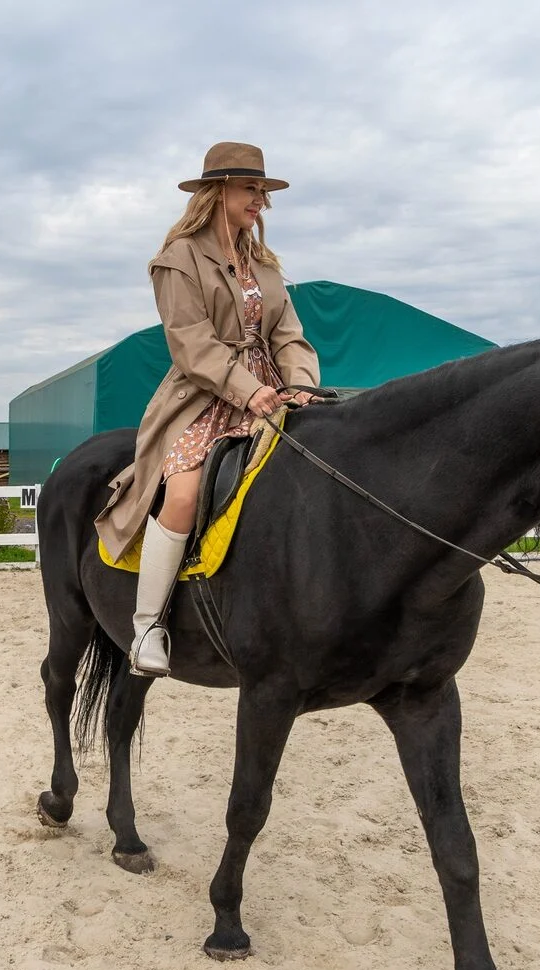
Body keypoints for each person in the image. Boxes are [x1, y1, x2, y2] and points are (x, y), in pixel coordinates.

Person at [93, 141, 321, 676]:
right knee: (186, 489)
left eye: (263, 191)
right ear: (218, 192)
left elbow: (289, 335)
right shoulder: (177, 260)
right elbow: (192, 345)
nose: (260, 202)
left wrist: (302, 384)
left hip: (273, 390)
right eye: (251, 189)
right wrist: (248, 390)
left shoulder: (263, 265)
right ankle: (148, 625)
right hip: (207, 394)